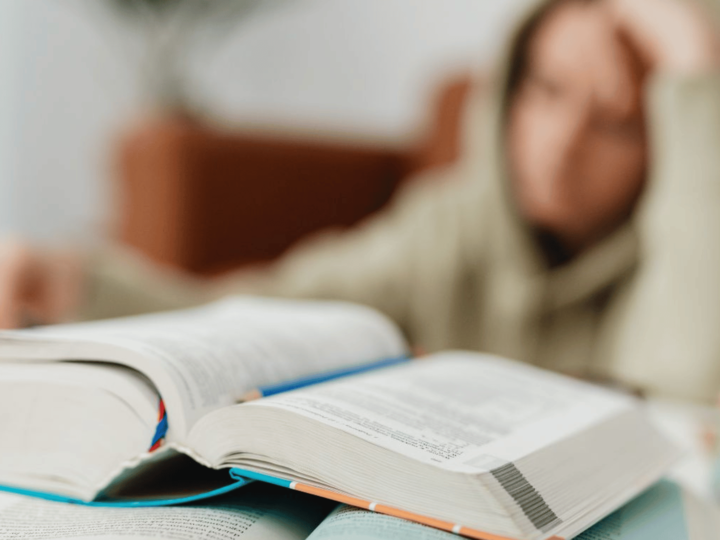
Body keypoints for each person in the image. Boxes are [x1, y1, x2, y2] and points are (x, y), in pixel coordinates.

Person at [2, 0, 720, 402]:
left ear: (669, 138)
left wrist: (696, 68)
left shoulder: (690, 249)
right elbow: (269, 306)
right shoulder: (450, 225)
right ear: (505, 94)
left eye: (615, 119)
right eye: (548, 90)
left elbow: (692, 394)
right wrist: (73, 285)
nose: (563, 142)